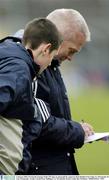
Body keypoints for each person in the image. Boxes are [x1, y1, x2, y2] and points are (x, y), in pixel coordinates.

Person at [26, 9, 94, 175]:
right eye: (71, 50)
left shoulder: (51, 65)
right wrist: (77, 130)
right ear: (57, 39)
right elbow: (38, 123)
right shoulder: (33, 65)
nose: (70, 57)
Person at [0, 17, 61, 175]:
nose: (49, 64)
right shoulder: (18, 69)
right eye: (52, 57)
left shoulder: (15, 62)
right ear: (46, 49)